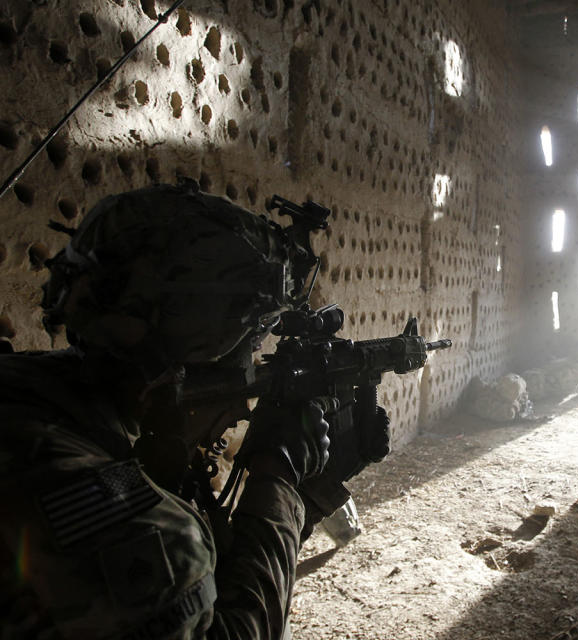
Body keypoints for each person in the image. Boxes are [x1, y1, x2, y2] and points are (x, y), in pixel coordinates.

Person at [0, 183, 349, 638]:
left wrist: (306, 499)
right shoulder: (139, 529)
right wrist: (279, 477)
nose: (247, 382)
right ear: (193, 353)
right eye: (254, 338)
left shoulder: (29, 394)